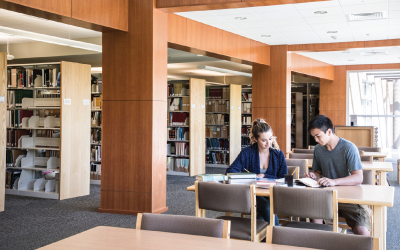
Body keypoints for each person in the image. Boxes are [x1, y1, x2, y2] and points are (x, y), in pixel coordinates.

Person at [304, 115, 371, 236]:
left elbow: (358, 177)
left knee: (362, 233)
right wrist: (314, 176)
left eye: (318, 136)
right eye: (313, 137)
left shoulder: (349, 147)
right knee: (314, 223)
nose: (316, 140)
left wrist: (334, 181)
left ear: (329, 131)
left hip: (350, 198)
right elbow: (318, 173)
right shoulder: (318, 149)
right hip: (327, 196)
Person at [226, 118, 287, 225]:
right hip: (253, 194)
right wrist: (249, 177)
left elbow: (284, 178)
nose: (268, 143)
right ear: (255, 139)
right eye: (264, 140)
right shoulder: (247, 152)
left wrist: (265, 175)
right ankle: (279, 235)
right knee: (268, 207)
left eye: (270, 138)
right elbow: (231, 171)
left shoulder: (278, 155)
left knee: (263, 215)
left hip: (273, 194)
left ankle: (263, 234)